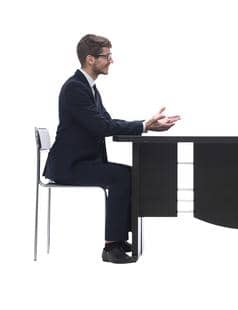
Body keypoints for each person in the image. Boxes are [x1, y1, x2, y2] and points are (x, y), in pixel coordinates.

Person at [44, 34, 181, 264]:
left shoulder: (90, 89)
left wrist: (147, 127)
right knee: (121, 177)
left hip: (82, 162)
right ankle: (111, 247)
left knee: (129, 174)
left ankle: (119, 237)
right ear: (90, 59)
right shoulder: (75, 89)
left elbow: (106, 122)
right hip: (69, 166)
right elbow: (101, 127)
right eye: (106, 56)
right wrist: (143, 126)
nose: (111, 61)